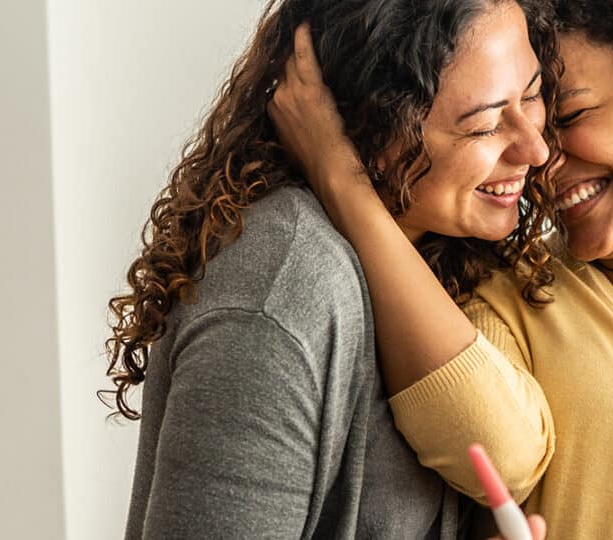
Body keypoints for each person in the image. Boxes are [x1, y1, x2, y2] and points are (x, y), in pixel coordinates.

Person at [269, 0, 613, 538]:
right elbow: (498, 452)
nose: (539, 158)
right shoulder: (497, 290)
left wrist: (341, 180)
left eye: (570, 115)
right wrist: (346, 183)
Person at [103, 0, 559, 537]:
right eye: (483, 126)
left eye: (531, 95)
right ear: (378, 124)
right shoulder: (280, 298)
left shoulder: (441, 254)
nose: (536, 147)